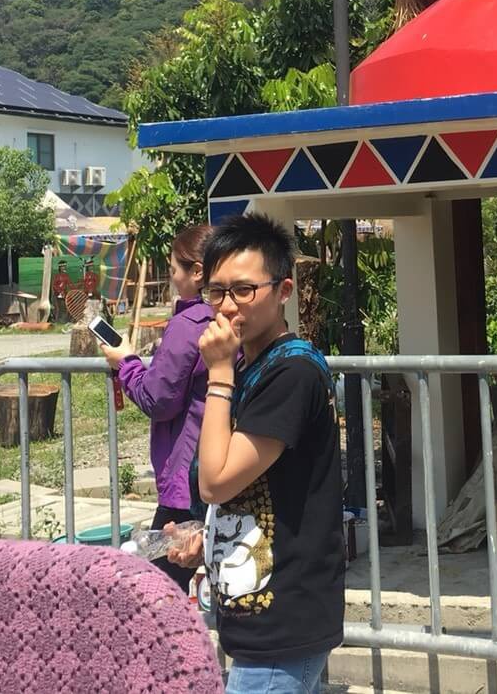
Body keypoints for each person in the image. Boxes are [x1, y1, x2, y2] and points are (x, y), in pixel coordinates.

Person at [165, 213, 344, 694]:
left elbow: (216, 480)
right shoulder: (254, 367)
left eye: (244, 290)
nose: (227, 307)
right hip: (256, 615)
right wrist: (206, 535)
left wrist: (219, 373)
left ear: (284, 290)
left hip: (283, 623)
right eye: (216, 291)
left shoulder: (292, 372)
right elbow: (243, 485)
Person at [100, 224, 213, 591]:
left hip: (186, 476)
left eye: (174, 268)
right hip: (217, 468)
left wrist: (126, 363)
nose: (172, 277)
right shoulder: (228, 319)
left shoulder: (189, 324)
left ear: (197, 272)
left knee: (155, 591)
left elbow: (158, 398)